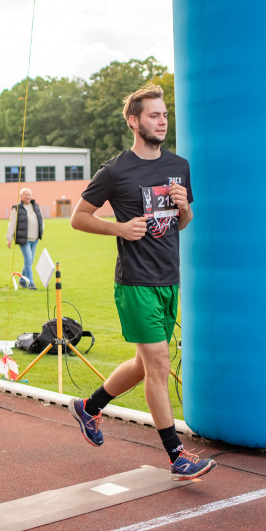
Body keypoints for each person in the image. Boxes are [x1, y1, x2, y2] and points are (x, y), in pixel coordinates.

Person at [66, 85, 215, 481]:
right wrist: (119, 227)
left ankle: (89, 407)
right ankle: (177, 455)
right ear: (134, 121)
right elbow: (78, 217)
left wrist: (184, 209)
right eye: (154, 115)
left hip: (170, 278)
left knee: (143, 363)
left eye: (165, 114)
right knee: (159, 366)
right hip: (135, 282)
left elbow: (183, 223)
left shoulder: (179, 165)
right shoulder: (114, 171)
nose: (162, 121)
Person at [6, 187, 43, 290]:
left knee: (29, 260)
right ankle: (31, 283)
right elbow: (12, 224)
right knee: (28, 259)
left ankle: (22, 280)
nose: (28, 197)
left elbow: (41, 219)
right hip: (24, 239)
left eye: (29, 195)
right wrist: (9, 238)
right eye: (26, 195)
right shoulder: (17, 208)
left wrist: (42, 229)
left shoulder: (35, 206)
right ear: (21, 196)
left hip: (34, 238)